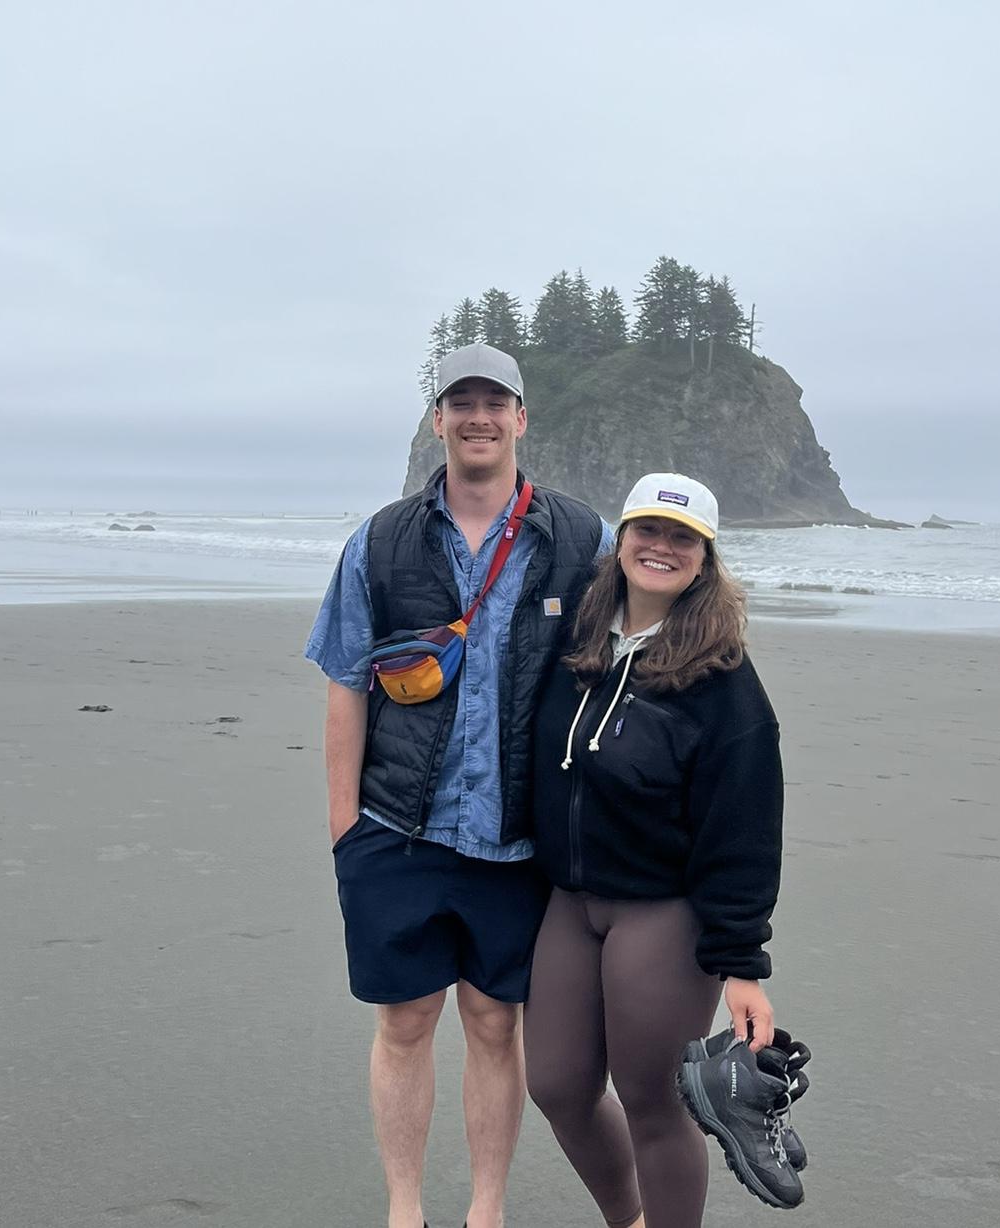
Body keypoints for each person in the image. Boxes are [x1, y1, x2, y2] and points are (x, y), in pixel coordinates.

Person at [305, 343, 612, 1228]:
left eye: (495, 402)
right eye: (461, 402)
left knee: (492, 1023)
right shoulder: (380, 541)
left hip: (518, 839)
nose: (479, 417)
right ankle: (405, 1209)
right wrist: (345, 832)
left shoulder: (580, 538)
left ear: (521, 418)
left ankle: (486, 1211)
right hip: (396, 827)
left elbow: (627, 664)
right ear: (437, 419)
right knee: (404, 1023)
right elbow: (345, 683)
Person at [524, 473, 787, 1228]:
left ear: (704, 559)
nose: (661, 547)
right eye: (648, 530)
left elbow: (745, 829)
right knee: (557, 1086)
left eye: (682, 538)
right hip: (570, 903)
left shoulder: (723, 680)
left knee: (653, 1101)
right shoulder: (579, 641)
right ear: (622, 540)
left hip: (662, 912)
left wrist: (742, 966)